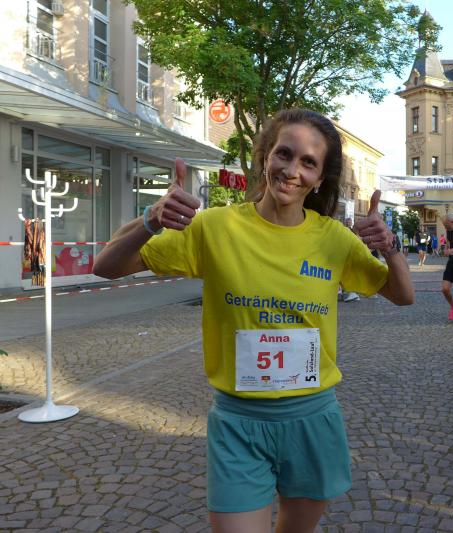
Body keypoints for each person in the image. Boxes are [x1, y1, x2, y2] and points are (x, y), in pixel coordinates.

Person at [93, 109, 414, 533]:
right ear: (265, 156)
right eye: (284, 154)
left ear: (320, 178)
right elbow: (105, 266)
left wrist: (390, 247)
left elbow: (402, 295)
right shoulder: (214, 227)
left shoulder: (334, 239)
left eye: (308, 162)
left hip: (312, 419)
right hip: (238, 423)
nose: (292, 171)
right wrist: (152, 219)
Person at [342, 217, 360, 302]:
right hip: (348, 254)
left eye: (349, 222)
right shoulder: (349, 230)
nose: (348, 223)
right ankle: (348, 292)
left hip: (349, 255)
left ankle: (352, 293)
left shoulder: (349, 231)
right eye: (347, 222)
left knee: (348, 274)